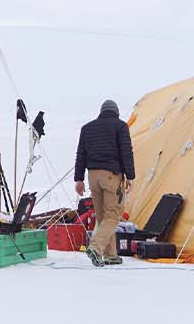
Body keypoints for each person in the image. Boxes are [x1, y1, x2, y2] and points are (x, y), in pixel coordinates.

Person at [74, 99, 136, 266]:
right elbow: (126, 151)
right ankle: (96, 248)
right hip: (111, 176)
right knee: (113, 214)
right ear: (116, 113)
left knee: (102, 216)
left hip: (92, 176)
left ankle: (110, 255)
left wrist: (78, 179)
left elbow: (81, 154)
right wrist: (130, 176)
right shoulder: (120, 126)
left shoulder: (87, 128)